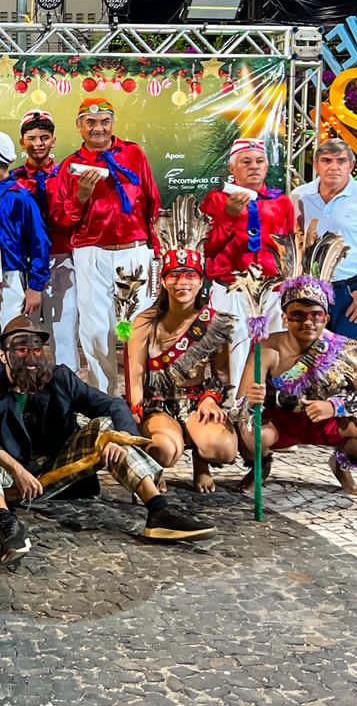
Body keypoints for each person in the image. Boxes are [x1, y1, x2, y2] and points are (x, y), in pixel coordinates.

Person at [0, 316, 216, 563]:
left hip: (57, 471)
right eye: (22, 350)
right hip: (10, 482)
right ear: (3, 355)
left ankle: (159, 511)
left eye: (36, 349)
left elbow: (113, 405)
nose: (31, 358)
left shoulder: (59, 377)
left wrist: (120, 440)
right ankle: (7, 525)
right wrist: (15, 469)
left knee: (108, 429)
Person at [236, 230, 357, 496]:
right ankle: (260, 466)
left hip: (328, 420)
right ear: (285, 317)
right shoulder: (268, 349)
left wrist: (334, 406)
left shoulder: (340, 350)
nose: (307, 322)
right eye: (298, 315)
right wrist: (255, 399)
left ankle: (342, 465)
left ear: (326, 318)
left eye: (315, 315)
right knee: (249, 431)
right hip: (281, 423)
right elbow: (242, 401)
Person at [127, 198, 238, 494]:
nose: (182, 283)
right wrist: (135, 410)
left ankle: (201, 464)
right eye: (174, 275)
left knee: (223, 447)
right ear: (163, 281)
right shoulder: (144, 321)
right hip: (157, 403)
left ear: (201, 281)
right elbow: (135, 374)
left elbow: (222, 376)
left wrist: (211, 399)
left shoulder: (214, 322)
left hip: (196, 402)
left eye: (190, 275)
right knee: (164, 449)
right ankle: (154, 466)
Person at [52, 97, 161, 394]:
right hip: (91, 253)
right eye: (90, 122)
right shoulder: (70, 166)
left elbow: (151, 200)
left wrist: (155, 249)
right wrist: (81, 197)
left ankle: (140, 397)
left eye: (104, 121)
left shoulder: (133, 154)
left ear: (113, 123)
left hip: (134, 251)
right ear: (79, 126)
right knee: (97, 330)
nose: (98, 128)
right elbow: (61, 218)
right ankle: (103, 397)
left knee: (135, 328)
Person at [200, 138, 296, 387]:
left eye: (259, 161)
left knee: (275, 348)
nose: (254, 166)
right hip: (232, 288)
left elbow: (290, 246)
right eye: (246, 162)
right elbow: (208, 247)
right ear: (232, 168)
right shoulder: (216, 200)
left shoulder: (281, 201)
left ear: (267, 166)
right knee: (235, 350)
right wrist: (229, 216)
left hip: (272, 290)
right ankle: (235, 402)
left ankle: (272, 401)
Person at [290, 139, 357, 340]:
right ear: (316, 165)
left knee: (352, 356)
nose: (334, 167)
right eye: (326, 160)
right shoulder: (299, 196)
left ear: (351, 165)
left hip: (350, 293)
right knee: (305, 357)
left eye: (341, 161)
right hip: (307, 292)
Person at [12, 109, 79, 371]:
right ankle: (28, 385)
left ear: (53, 140)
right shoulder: (14, 180)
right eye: (31, 138)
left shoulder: (67, 175)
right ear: (22, 142)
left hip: (61, 259)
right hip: (24, 263)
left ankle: (66, 385)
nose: (38, 143)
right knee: (25, 331)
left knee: (63, 330)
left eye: (44, 137)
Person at [0, 128, 50, 325]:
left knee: (12, 330)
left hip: (12, 276)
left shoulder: (21, 197)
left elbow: (39, 242)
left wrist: (35, 286)